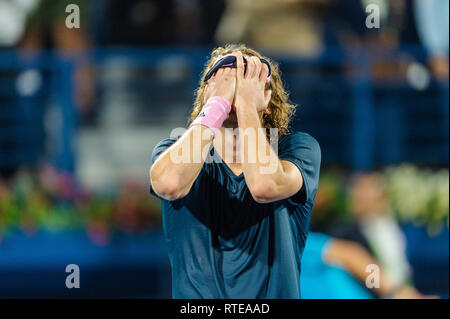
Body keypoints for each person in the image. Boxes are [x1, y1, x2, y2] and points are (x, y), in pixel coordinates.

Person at [149, 44, 321, 298]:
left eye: (247, 82)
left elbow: (264, 185)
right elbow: (169, 184)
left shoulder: (297, 149)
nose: (235, 90)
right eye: (226, 80)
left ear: (268, 102)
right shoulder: (174, 148)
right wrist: (218, 104)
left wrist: (246, 107)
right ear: (207, 93)